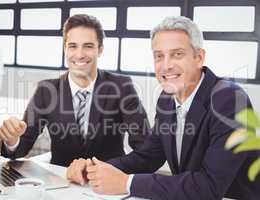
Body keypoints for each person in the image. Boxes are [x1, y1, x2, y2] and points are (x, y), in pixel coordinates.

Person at [68, 16, 260, 199]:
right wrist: (96, 169)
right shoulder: (167, 99)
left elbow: (209, 187)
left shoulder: (230, 100)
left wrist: (127, 183)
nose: (166, 65)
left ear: (199, 57)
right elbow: (149, 156)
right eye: (159, 56)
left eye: (177, 54)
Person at [0, 14, 149, 168]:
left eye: (88, 46)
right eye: (73, 46)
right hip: (61, 182)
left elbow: (145, 148)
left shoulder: (122, 87)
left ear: (100, 50)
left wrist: (108, 169)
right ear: (65, 49)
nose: (80, 54)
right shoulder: (46, 91)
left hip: (108, 184)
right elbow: (20, 147)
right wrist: (12, 140)